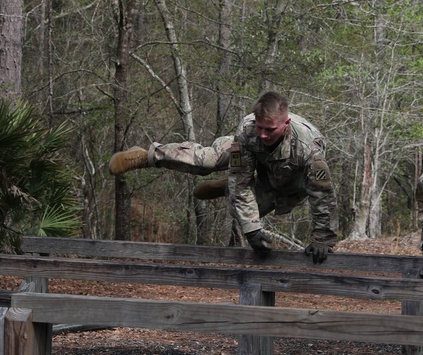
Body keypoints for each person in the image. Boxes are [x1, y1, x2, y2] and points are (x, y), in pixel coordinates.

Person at [108, 92, 338, 263]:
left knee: (242, 207)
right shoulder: (248, 130)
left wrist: (323, 239)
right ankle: (149, 156)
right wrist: (252, 229)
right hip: (251, 159)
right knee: (209, 160)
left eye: (270, 129)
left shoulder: (310, 148)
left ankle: (224, 188)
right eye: (260, 127)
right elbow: (241, 179)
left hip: (286, 180)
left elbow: (322, 195)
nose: (264, 134)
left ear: (286, 124)